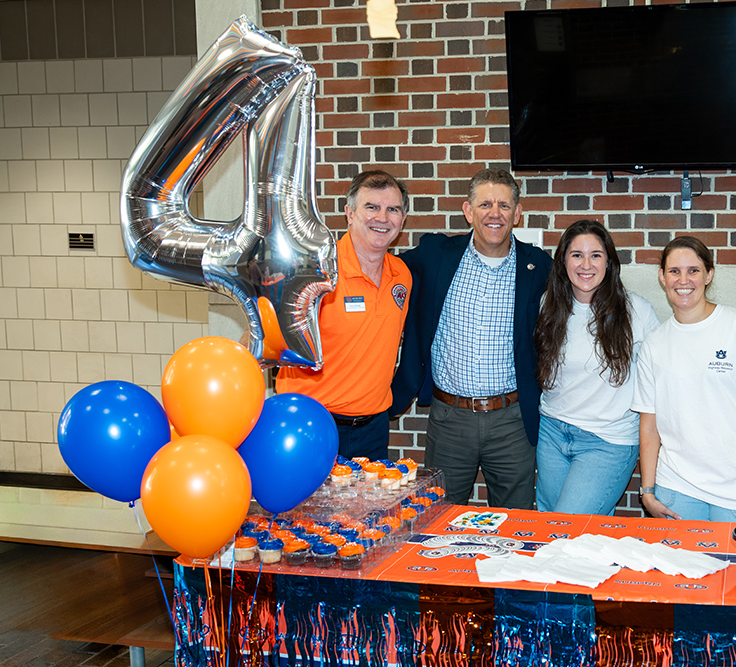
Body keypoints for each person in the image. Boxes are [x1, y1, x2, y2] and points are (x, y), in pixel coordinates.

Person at [391, 168, 553, 508]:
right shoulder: (436, 255)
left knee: (517, 521)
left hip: (511, 421)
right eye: (485, 204)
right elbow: (380, 267)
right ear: (468, 211)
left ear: (517, 213)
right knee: (435, 519)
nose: (495, 213)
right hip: (450, 419)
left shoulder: (537, 266)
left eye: (504, 206)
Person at [632, 236, 736, 522]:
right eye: (674, 271)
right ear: (662, 277)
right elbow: (649, 425)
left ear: (708, 275)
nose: (683, 280)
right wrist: (648, 491)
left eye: (693, 270)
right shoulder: (654, 344)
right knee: (679, 568)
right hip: (678, 487)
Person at [276, 170, 410, 461]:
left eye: (393, 209)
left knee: (370, 507)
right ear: (350, 214)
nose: (382, 217)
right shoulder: (314, 272)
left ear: (402, 220)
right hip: (313, 424)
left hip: (374, 428)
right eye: (371, 207)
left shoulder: (402, 276)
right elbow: (266, 337)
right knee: (308, 508)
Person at [533, 220, 660, 515]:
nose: (585, 264)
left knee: (565, 529)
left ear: (609, 262)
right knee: (550, 526)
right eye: (576, 255)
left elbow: (660, 384)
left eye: (596, 255)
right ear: (563, 261)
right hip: (552, 433)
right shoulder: (547, 306)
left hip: (607, 441)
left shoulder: (636, 312)